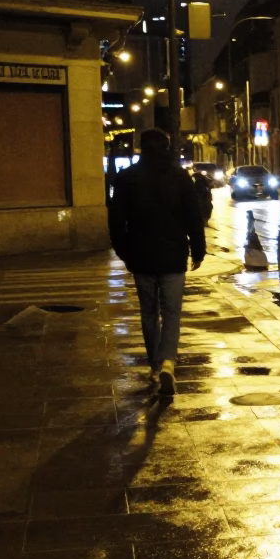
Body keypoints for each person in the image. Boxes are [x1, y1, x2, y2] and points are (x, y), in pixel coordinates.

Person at [108, 128, 205, 396]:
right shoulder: (179, 176)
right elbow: (193, 215)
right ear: (166, 146)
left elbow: (116, 219)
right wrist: (197, 248)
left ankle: (154, 366)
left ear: (142, 146)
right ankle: (168, 364)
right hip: (173, 255)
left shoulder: (127, 178)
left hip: (141, 256)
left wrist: (123, 251)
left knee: (149, 313)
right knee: (172, 312)